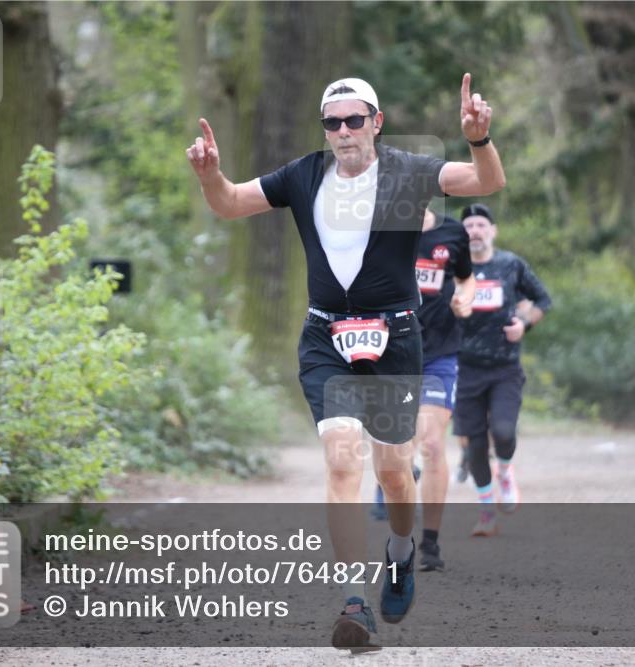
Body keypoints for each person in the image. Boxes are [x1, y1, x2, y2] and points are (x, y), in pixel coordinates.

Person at [185, 75, 505, 651]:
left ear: (376, 122)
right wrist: (210, 174)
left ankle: (402, 554)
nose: (342, 132)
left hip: (396, 337)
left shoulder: (407, 171)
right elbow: (230, 203)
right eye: (332, 123)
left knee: (391, 473)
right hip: (324, 337)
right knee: (340, 461)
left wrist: (479, 139)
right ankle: (354, 602)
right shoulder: (304, 175)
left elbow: (488, 180)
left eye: (354, 120)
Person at [371, 207, 475, 572]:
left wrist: (465, 297)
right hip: (391, 354)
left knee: (431, 443)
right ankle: (398, 521)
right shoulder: (378, 228)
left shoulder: (451, 234)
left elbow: (466, 279)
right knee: (397, 450)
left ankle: (430, 543)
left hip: (438, 355)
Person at [454, 203, 550, 537]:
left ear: (492, 231)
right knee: (475, 445)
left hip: (504, 368)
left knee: (505, 432)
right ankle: (485, 510)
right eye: (468, 226)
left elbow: (543, 301)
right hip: (463, 370)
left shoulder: (510, 265)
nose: (475, 231)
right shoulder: (453, 268)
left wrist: (523, 324)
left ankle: (505, 472)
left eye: (481, 224)